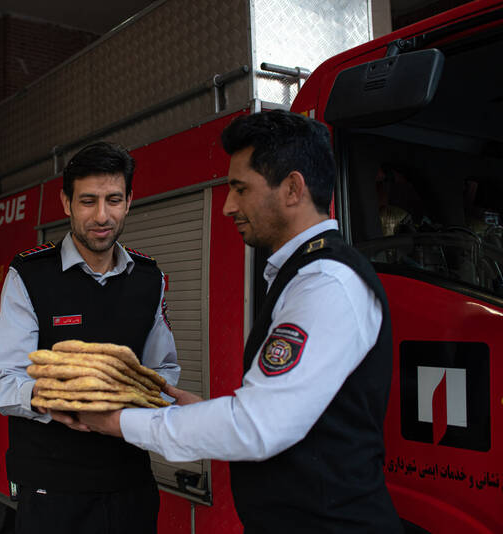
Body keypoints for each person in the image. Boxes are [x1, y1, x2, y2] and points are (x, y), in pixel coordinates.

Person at [79, 110, 403, 533]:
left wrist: (118, 422)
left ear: (292, 189)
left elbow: (259, 425)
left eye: (240, 188)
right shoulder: (303, 275)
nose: (228, 206)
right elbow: (284, 408)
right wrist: (205, 412)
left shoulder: (325, 283)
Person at [0, 141, 180, 534]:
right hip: (51, 486)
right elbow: (3, 378)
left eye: (113, 200)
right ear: (66, 203)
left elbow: (162, 371)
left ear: (129, 202)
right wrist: (52, 400)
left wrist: (136, 405)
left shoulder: (149, 278)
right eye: (88, 201)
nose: (102, 216)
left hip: (129, 481)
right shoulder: (30, 275)